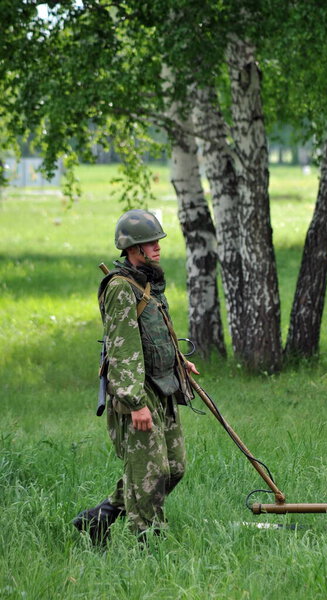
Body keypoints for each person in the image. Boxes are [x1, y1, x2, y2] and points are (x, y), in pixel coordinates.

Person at [72, 209, 199, 545]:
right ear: (132, 249)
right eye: (149, 242)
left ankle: (99, 518)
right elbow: (123, 346)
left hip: (163, 386)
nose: (157, 247)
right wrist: (133, 402)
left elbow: (157, 331)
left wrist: (178, 361)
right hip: (138, 392)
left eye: (157, 240)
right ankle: (150, 544)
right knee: (149, 472)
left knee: (173, 468)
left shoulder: (148, 283)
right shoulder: (120, 288)